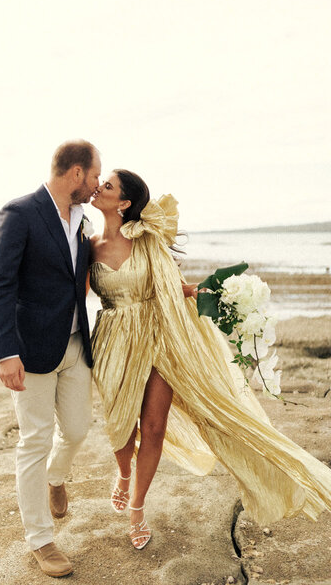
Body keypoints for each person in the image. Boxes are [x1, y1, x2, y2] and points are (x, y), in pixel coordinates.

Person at [89, 168, 331, 550]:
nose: (97, 187)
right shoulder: (88, 246)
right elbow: (69, 294)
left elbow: (168, 285)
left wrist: (199, 291)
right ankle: (123, 473)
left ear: (123, 203)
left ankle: (137, 507)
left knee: (152, 427)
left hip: (161, 336)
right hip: (114, 340)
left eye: (107, 185)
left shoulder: (148, 240)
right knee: (121, 426)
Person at [0, 139, 101, 577]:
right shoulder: (20, 213)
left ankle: (57, 476)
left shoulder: (83, 220)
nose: (96, 184)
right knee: (33, 440)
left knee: (76, 429)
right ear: (75, 173)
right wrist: (6, 352)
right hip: (30, 351)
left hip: (75, 346)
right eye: (94, 176)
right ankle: (41, 539)